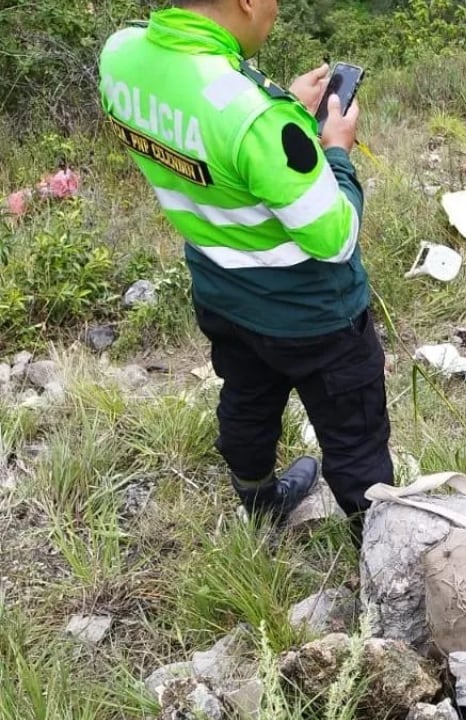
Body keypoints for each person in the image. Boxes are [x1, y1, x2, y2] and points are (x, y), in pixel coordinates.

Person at [99, 0, 391, 547]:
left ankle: (258, 500)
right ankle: (380, 553)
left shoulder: (120, 56)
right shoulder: (256, 116)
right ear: (247, 3)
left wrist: (279, 108)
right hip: (311, 314)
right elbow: (335, 237)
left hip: (221, 290)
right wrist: (334, 149)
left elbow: (207, 133)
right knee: (355, 439)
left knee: (248, 396)